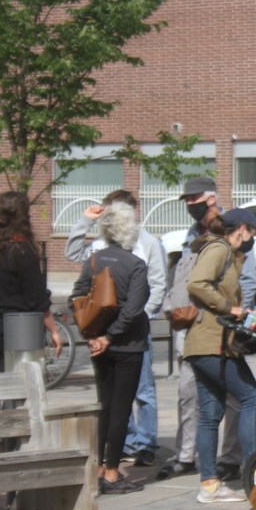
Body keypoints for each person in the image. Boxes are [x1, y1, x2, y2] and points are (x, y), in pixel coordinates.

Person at [157, 176, 256, 481]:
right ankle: (188, 456)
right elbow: (188, 282)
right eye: (186, 200)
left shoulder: (234, 231)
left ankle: (229, 459)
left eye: (194, 198)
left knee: (235, 398)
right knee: (191, 394)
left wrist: (238, 318)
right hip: (192, 327)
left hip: (222, 330)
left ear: (211, 198)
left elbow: (247, 281)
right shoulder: (191, 237)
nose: (190, 204)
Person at [65, 189, 166, 467]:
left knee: (141, 391)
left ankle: (144, 443)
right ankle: (119, 449)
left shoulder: (147, 244)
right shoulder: (100, 248)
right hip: (107, 332)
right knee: (112, 400)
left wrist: (141, 317)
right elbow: (73, 252)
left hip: (131, 328)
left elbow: (157, 283)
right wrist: (85, 221)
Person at [183, 207, 256, 503]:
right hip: (211, 344)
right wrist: (230, 308)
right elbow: (196, 284)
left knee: (211, 413)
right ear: (242, 229)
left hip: (206, 345)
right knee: (252, 397)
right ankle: (254, 473)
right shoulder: (219, 249)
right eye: (253, 232)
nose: (253, 239)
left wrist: (244, 313)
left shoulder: (229, 255)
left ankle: (209, 486)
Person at [0, 191, 63, 372]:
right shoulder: (22, 251)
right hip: (13, 327)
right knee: (13, 383)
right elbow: (37, 297)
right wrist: (54, 330)